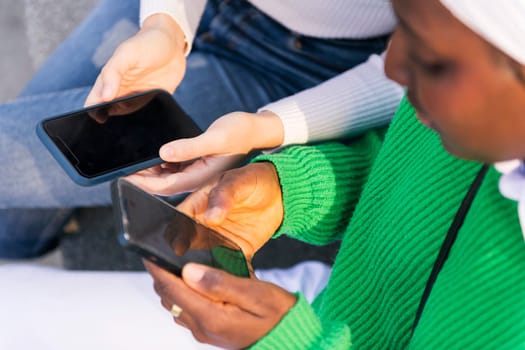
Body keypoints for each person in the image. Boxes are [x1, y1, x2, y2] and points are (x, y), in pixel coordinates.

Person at [143, 0, 525, 348]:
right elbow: (404, 165)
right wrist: (288, 189)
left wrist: (291, 343)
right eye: (399, 26)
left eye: (431, 59)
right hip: (330, 309)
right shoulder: (468, 118)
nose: (391, 68)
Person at [0, 0, 403, 259]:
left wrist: (265, 129)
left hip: (314, 67)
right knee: (18, 212)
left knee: (11, 161)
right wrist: (165, 25)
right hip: (194, 8)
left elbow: (416, 69)